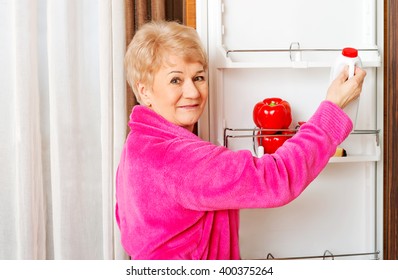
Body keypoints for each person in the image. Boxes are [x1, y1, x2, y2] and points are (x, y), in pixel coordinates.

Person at [115, 20, 366, 260]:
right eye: (175, 80)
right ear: (145, 91)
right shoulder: (177, 158)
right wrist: (332, 108)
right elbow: (275, 180)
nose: (192, 92)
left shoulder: (138, 143)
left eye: (199, 77)